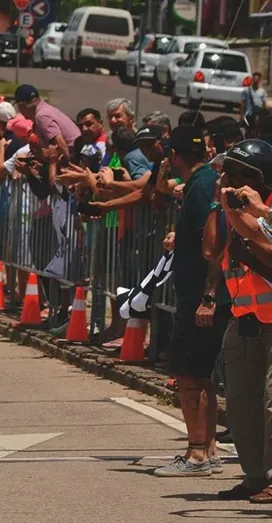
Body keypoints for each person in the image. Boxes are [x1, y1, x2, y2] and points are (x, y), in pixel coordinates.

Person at [152, 125, 228, 478]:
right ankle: (208, 449)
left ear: (174, 155)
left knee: (188, 375)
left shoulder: (200, 187)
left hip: (199, 296)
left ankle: (196, 452)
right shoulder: (203, 183)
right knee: (201, 374)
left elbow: (213, 247)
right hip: (199, 293)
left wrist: (208, 297)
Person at [209, 139, 272, 501]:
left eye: (233, 173)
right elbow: (213, 248)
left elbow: (263, 246)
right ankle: (254, 476)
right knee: (240, 404)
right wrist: (224, 206)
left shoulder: (264, 210)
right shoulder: (233, 207)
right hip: (244, 317)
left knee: (270, 405)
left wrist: (255, 212)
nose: (227, 179)